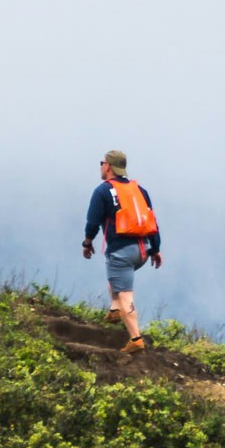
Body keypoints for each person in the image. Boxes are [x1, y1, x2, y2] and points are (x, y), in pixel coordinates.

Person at [81, 149, 162, 353]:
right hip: (143, 251)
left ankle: (135, 339)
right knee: (115, 277)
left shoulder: (102, 191)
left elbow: (92, 221)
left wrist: (87, 242)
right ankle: (115, 310)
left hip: (121, 252)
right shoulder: (139, 190)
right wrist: (156, 249)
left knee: (125, 294)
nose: (100, 166)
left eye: (102, 163)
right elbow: (151, 220)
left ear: (108, 166)